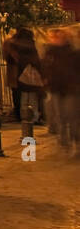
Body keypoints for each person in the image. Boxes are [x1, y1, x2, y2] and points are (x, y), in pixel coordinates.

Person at [41, 27, 80, 155]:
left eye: (60, 36)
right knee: (60, 117)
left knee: (72, 117)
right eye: (54, 37)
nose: (57, 39)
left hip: (71, 89)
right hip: (56, 89)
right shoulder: (49, 52)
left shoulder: (73, 53)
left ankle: (76, 141)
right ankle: (64, 143)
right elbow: (44, 68)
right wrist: (46, 79)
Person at [5, 27, 46, 124]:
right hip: (31, 75)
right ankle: (34, 117)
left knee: (23, 97)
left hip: (20, 75)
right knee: (32, 98)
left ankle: (24, 117)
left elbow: (9, 58)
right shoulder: (31, 44)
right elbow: (35, 60)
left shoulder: (14, 45)